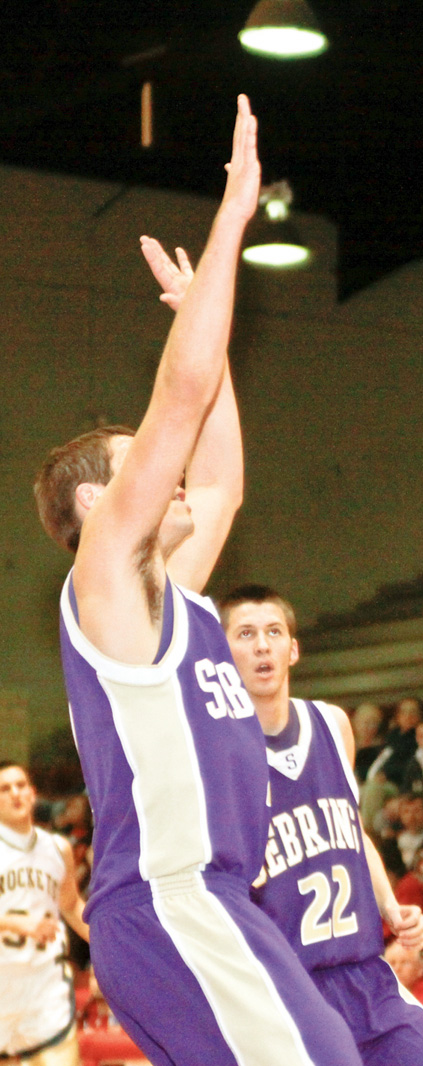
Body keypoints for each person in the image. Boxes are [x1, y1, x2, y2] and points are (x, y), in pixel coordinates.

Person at [33, 98, 362, 1066]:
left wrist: (204, 343)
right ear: (98, 500)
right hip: (171, 901)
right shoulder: (106, 577)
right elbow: (176, 401)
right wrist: (232, 217)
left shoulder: (167, 595)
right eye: (144, 467)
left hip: (214, 900)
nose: (170, 477)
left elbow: (218, 476)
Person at [219, 584, 423, 1066]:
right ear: (223, 652)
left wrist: (390, 905)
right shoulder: (219, 753)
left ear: (293, 649)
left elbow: (354, 833)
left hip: (366, 974)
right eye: (245, 633)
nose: (262, 645)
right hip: (290, 990)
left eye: (274, 632)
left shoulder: (331, 724)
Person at [0, 763, 89, 1065]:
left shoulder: (58, 848)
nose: (15, 793)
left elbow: (71, 905)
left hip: (44, 988)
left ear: (33, 793)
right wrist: (15, 923)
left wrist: (108, 941)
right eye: (5, 788)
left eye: (21, 785)